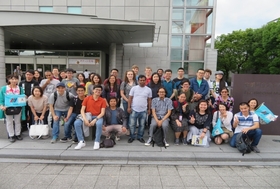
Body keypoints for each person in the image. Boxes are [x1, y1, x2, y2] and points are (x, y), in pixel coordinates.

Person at [74, 85, 107, 150]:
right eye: (96, 90)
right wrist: (85, 119)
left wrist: (95, 120)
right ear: (93, 90)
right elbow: (82, 110)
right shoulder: (87, 98)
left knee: (99, 124)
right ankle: (81, 141)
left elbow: (102, 113)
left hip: (98, 116)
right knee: (76, 123)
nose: (98, 91)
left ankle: (97, 141)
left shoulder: (102, 100)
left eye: (99, 90)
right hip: (87, 115)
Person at [0, 75, 26, 142]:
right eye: (12, 79)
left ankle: (18, 134)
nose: (14, 81)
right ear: (9, 80)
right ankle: (11, 135)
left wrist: (24, 98)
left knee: (18, 121)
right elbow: (1, 99)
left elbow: (22, 98)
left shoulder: (20, 88)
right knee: (9, 122)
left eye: (16, 79)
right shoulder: (4, 88)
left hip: (18, 107)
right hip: (7, 107)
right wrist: (2, 106)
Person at [127, 75, 152, 143]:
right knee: (132, 124)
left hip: (143, 110)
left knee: (142, 125)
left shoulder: (148, 89)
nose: (142, 81)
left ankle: (140, 137)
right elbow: (130, 98)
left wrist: (149, 109)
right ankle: (132, 137)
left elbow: (149, 100)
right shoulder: (134, 88)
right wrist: (129, 107)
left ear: (146, 81)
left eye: (143, 80)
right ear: (138, 81)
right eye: (140, 80)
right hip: (134, 109)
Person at [120, 70, 137, 135]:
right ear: (126, 75)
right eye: (129, 74)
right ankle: (127, 129)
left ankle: (133, 129)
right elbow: (122, 93)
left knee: (133, 116)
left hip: (135, 102)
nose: (130, 75)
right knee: (127, 115)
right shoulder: (124, 83)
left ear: (133, 75)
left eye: (131, 74)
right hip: (126, 101)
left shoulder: (136, 82)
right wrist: (127, 100)